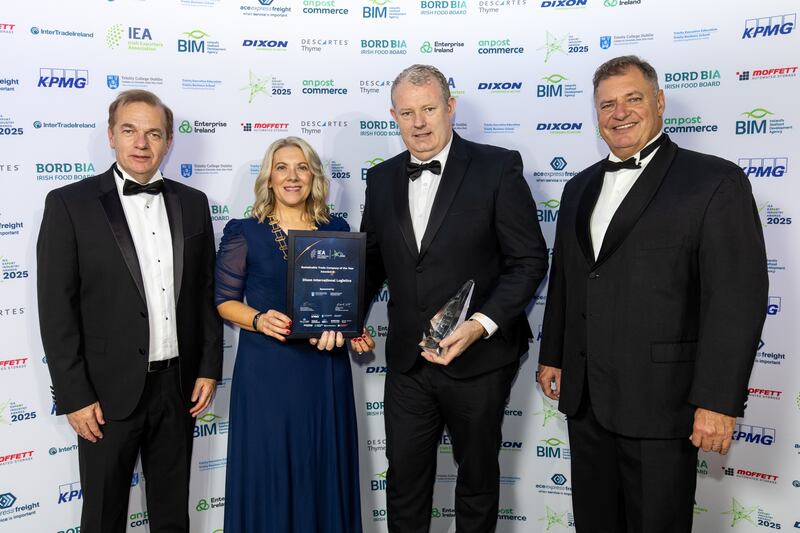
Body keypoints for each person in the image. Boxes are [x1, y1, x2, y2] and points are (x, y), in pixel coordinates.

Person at [537, 55, 768, 533]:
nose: (619, 113)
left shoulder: (714, 181)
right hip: (587, 400)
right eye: (607, 104)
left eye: (633, 99)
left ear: (659, 102)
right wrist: (553, 354)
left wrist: (718, 402)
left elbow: (735, 299)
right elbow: (567, 279)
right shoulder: (578, 187)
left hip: (664, 403)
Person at [361, 64, 549, 532]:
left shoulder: (497, 167)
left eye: (428, 109)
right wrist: (346, 317)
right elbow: (371, 262)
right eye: (407, 113)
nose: (419, 123)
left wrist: (480, 325)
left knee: (477, 484)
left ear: (450, 107)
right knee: (404, 483)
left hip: (479, 360)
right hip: (408, 364)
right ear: (393, 116)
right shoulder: (381, 178)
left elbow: (528, 261)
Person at [37, 89, 222, 532]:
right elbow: (56, 309)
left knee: (172, 516)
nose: (141, 143)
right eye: (129, 131)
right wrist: (75, 395)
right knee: (103, 517)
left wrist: (208, 367)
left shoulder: (193, 203)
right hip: (104, 395)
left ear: (168, 141)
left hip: (178, 389)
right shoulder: (69, 203)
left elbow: (204, 293)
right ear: (111, 136)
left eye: (153, 133)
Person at [215, 136, 370, 532]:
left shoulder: (337, 229)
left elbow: (344, 296)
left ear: (313, 176)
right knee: (269, 468)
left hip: (324, 370)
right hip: (268, 371)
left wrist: (353, 330)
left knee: (322, 465)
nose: (292, 176)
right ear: (269, 177)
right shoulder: (245, 231)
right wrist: (258, 320)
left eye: (302, 167)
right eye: (281, 167)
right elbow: (224, 301)